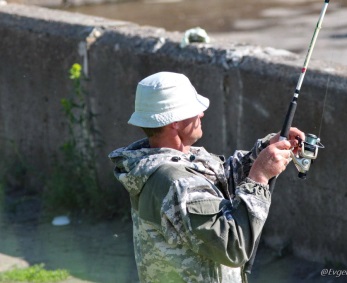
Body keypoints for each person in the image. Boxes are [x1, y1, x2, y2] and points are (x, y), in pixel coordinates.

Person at [109, 71, 305, 283]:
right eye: (193, 109)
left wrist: (266, 150)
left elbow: (221, 182)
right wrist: (259, 176)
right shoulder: (175, 182)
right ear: (173, 121)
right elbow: (233, 246)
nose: (201, 113)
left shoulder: (173, 160)